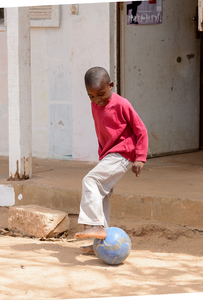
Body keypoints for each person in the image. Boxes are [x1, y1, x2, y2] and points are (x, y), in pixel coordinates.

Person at [74, 66, 148, 253]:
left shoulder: (122, 104)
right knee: (101, 194)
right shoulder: (94, 104)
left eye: (101, 94)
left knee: (91, 180)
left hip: (123, 153)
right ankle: (100, 244)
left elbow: (141, 130)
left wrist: (140, 157)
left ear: (111, 86)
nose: (97, 100)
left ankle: (97, 226)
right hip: (109, 155)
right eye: (91, 96)